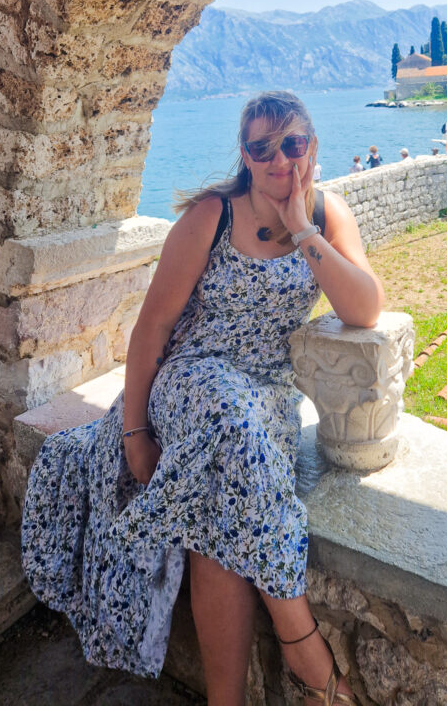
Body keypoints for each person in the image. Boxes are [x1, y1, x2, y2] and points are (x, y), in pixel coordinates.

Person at [22, 91, 382, 705]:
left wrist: (301, 230)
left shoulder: (326, 214)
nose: (278, 159)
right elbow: (153, 328)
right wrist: (135, 432)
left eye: (291, 144)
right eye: (261, 148)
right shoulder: (211, 216)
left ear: (312, 146)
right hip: (191, 382)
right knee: (226, 416)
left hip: (265, 397)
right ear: (244, 154)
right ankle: (302, 642)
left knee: (220, 501)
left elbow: (365, 306)